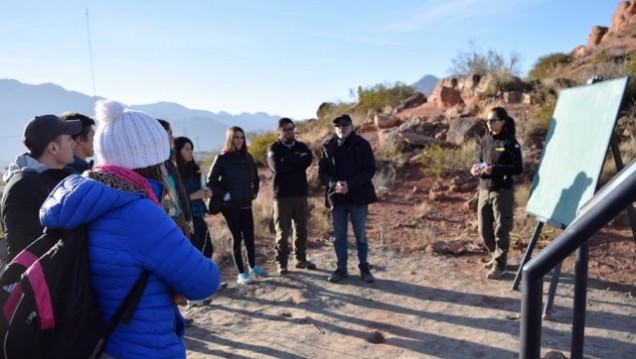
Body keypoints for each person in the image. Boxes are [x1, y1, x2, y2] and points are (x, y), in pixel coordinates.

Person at [39, 99, 220, 358]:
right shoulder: (139, 213)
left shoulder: (86, 201)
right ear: (154, 161)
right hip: (146, 347)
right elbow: (204, 282)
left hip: (102, 343)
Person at [1, 114, 81, 260]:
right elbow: (26, 253)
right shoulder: (24, 187)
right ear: (53, 148)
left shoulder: (61, 177)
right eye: (69, 139)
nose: (74, 144)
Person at [318, 114, 378, 284]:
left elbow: (369, 170)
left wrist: (349, 184)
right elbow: (322, 173)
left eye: (345, 124)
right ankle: (341, 268)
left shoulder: (362, 144)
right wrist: (334, 184)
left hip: (358, 197)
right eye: (338, 125)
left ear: (351, 126)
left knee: (360, 235)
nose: (341, 128)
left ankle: (364, 268)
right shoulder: (328, 146)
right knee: (339, 236)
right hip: (337, 198)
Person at [207, 126, 267, 284]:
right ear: (230, 139)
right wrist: (224, 195)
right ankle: (241, 274)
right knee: (237, 238)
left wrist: (254, 192)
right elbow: (211, 182)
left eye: (241, 137)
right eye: (236, 137)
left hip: (246, 204)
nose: (239, 140)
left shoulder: (247, 157)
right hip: (230, 207)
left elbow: (255, 179)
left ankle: (253, 267)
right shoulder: (222, 158)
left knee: (249, 238)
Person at [470, 106, 523, 279]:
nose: (489, 123)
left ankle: (500, 265)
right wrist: (476, 168)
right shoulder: (485, 140)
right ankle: (496, 256)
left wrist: (496, 170)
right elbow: (481, 161)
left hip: (502, 192)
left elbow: (518, 168)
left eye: (493, 120)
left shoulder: (510, 142)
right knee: (484, 231)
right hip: (484, 190)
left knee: (502, 230)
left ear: (503, 122)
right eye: (488, 120)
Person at [267, 117, 316, 275]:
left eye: (292, 128)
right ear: (279, 131)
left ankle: (300, 259)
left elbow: (307, 160)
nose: (290, 132)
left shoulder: (301, 146)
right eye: (286, 129)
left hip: (300, 194)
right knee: (283, 231)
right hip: (282, 197)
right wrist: (296, 160)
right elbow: (277, 167)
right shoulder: (273, 147)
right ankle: (281, 262)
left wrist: (288, 160)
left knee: (301, 229)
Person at [174, 136, 214, 259]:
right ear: (178, 151)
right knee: (194, 252)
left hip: (198, 215)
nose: (190, 152)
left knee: (208, 250)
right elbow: (171, 199)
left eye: (191, 149)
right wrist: (192, 196)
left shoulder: (194, 170)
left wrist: (208, 192)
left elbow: (203, 189)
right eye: (187, 149)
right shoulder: (174, 173)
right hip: (186, 219)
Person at [157, 119, 193, 237]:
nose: (173, 138)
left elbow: (179, 192)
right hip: (167, 224)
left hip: (180, 219)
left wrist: (187, 217)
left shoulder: (168, 163)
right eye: (170, 133)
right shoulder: (151, 167)